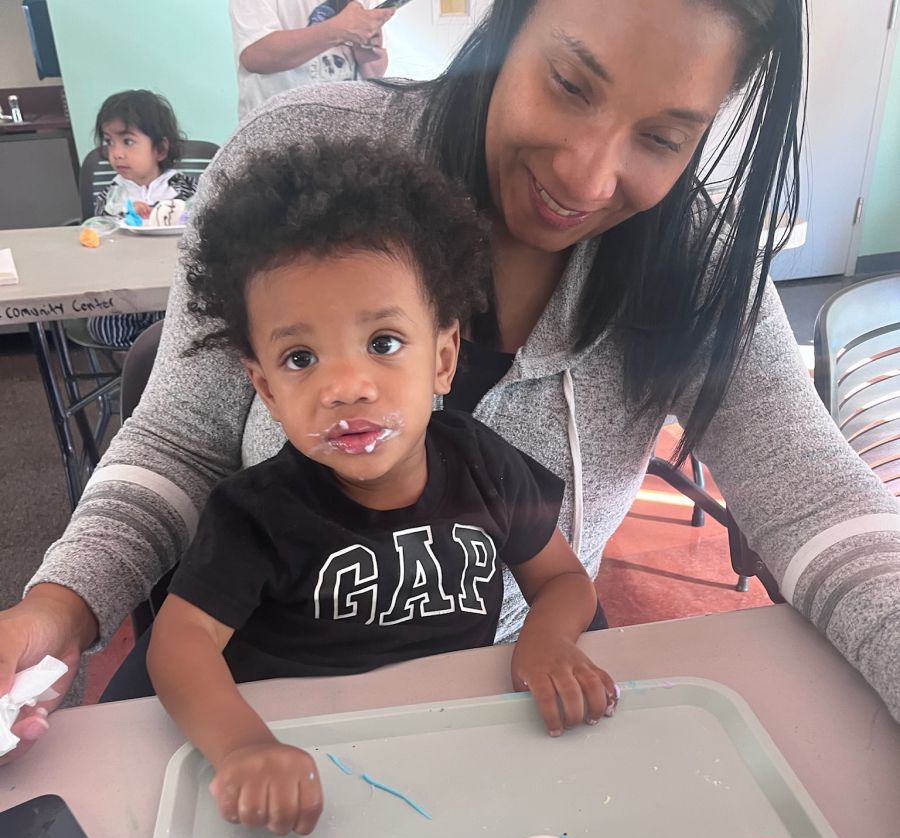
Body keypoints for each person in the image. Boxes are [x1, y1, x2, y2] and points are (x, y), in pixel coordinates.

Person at [4, 0, 900, 765]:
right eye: (570, 83)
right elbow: (179, 438)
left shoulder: (696, 263)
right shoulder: (299, 157)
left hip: (505, 705)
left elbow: (815, 499)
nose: (587, 176)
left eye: (664, 137)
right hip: (267, 694)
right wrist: (59, 606)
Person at [147, 140, 617, 835]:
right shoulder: (257, 515)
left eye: (384, 343)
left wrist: (546, 639)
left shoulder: (482, 464)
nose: (346, 387)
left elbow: (564, 581)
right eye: (300, 358)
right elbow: (179, 643)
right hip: (307, 773)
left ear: (444, 357)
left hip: (452, 750)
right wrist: (243, 746)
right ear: (265, 388)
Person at [88, 90, 199, 349]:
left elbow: (200, 221)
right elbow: (98, 228)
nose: (116, 153)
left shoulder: (185, 189)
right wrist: (125, 213)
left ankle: (164, 359)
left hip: (172, 291)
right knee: (101, 327)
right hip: (125, 289)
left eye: (127, 142)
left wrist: (162, 211)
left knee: (194, 325)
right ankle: (140, 362)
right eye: (110, 142)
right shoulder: (113, 195)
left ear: (160, 149)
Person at [229, 0, 395, 119]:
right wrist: (338, 30)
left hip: (345, 134)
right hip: (275, 134)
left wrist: (369, 52)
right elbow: (256, 56)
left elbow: (374, 72)